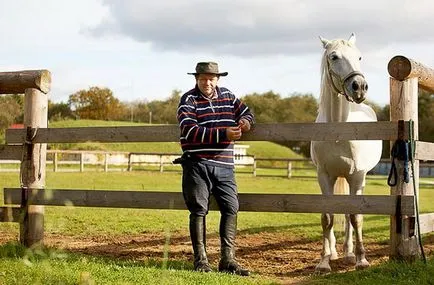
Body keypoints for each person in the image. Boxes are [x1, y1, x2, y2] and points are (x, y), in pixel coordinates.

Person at [175, 62, 254, 276]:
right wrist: (223, 134)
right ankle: (200, 260)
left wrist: (245, 123)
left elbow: (247, 112)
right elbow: (189, 130)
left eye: (211, 78)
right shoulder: (188, 100)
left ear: (217, 79)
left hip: (225, 165)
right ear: (196, 79)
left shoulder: (228, 96)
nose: (207, 83)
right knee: (198, 210)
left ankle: (228, 259)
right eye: (202, 79)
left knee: (231, 207)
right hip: (197, 163)